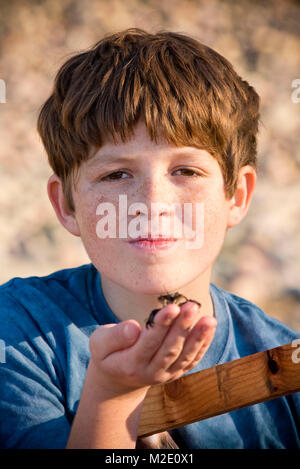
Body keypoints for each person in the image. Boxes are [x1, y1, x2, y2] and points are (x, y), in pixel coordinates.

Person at [0, 28, 299, 450]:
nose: (152, 203)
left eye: (186, 171)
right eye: (116, 174)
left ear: (237, 195)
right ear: (66, 205)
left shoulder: (285, 364)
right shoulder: (15, 333)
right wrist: (112, 394)